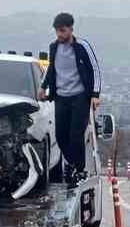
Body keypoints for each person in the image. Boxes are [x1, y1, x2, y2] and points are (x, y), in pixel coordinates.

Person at [38, 11, 102, 184]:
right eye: (57, 31)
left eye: (63, 31)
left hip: (79, 97)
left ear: (71, 29)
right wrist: (43, 86)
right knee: (60, 136)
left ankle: (79, 169)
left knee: (75, 136)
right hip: (61, 97)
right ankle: (72, 164)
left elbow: (95, 69)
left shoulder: (82, 46)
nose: (60, 35)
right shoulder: (54, 47)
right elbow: (52, 69)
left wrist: (95, 95)